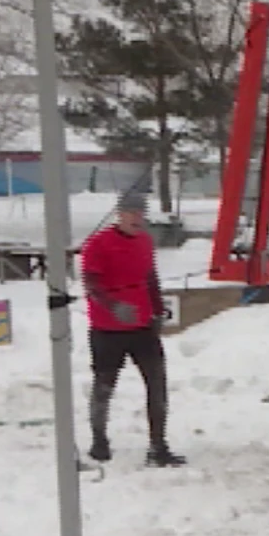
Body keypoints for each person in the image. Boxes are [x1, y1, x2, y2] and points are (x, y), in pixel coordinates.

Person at [79, 189, 183, 466]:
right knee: (104, 385)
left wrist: (158, 309)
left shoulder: (145, 242)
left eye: (141, 213)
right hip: (107, 329)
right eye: (132, 213)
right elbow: (90, 284)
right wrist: (113, 307)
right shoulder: (98, 244)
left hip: (142, 327)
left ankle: (158, 447)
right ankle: (99, 441)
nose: (138, 218)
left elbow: (150, 277)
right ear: (120, 214)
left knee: (157, 383)